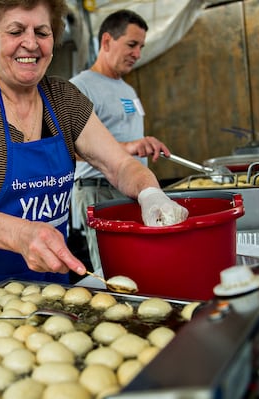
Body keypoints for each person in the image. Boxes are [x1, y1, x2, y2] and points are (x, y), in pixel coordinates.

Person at [0, 0, 189, 304]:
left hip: (48, 275)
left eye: (42, 32)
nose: (30, 43)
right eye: (15, 31)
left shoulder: (64, 99)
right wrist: (21, 235)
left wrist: (150, 194)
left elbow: (119, 165)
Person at [70, 9, 172, 273]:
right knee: (115, 270)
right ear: (106, 42)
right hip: (99, 189)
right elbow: (67, 148)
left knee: (142, 264)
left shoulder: (128, 90)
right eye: (131, 44)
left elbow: (128, 137)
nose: (138, 53)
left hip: (131, 189)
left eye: (141, 46)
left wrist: (141, 147)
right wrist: (127, 149)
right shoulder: (81, 87)